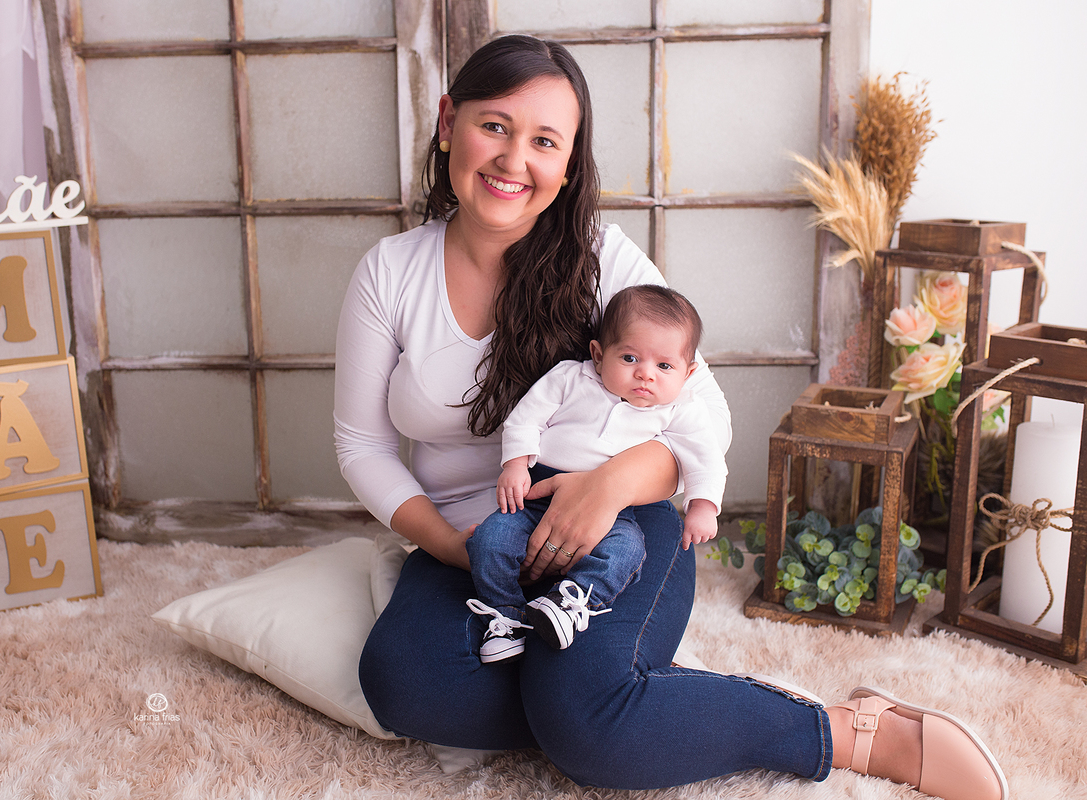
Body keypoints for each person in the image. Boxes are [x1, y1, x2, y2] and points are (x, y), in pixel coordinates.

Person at [334, 34, 1007, 800]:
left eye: (544, 141)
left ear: (569, 158)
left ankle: (851, 729)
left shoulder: (601, 260)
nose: (514, 160)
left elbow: (704, 409)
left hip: (625, 527)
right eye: (494, 125)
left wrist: (614, 482)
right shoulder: (389, 274)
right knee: (405, 688)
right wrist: (455, 548)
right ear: (449, 121)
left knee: (590, 736)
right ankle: (633, 694)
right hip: (472, 539)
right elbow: (361, 444)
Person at [465, 285, 726, 663]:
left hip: (614, 512)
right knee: (490, 539)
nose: (645, 375)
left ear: (688, 373)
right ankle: (505, 616)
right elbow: (526, 418)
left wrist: (703, 506)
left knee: (628, 550)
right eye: (630, 357)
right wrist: (516, 464)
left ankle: (570, 603)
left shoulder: (681, 409)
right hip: (536, 494)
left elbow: (706, 458)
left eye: (664, 366)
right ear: (598, 354)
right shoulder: (571, 378)